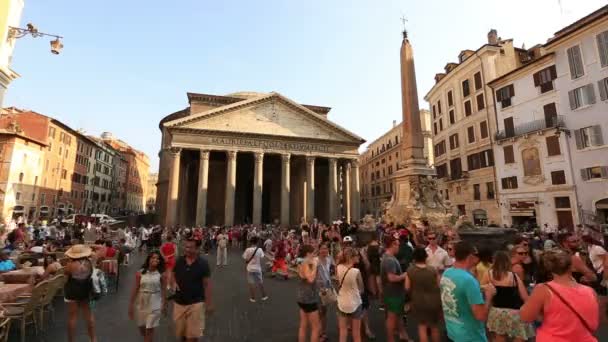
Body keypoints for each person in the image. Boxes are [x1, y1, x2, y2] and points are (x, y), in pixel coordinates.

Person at [521, 249, 599, 341]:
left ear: (549, 268)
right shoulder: (590, 292)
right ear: (571, 267)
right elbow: (594, 324)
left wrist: (542, 314)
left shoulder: (543, 289)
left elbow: (526, 317)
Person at [440, 241, 495, 342]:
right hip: (470, 336)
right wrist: (489, 296)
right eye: (476, 255)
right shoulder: (469, 280)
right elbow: (481, 316)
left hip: (452, 332)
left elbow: (458, 291)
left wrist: (480, 288)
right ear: (470, 256)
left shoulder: (447, 273)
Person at [482, 251, 534, 342]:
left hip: (496, 312)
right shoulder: (513, 276)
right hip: (514, 312)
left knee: (499, 337)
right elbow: (525, 297)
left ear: (494, 261)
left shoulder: (489, 274)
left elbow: (480, 287)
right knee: (519, 336)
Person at [171, 239, 213, 341]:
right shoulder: (179, 261)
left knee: (193, 336)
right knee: (181, 334)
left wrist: (209, 303)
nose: (187, 249)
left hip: (196, 303)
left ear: (197, 249)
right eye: (186, 247)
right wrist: (173, 282)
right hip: (179, 302)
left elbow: (207, 284)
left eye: (190, 247)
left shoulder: (203, 263)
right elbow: (172, 274)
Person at [405, 246, 442, 342]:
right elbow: (439, 285)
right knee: (434, 326)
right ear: (425, 257)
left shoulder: (410, 270)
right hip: (434, 301)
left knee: (422, 327)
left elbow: (407, 287)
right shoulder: (433, 270)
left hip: (418, 301)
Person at [129, 251, 167, 342]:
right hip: (142, 301)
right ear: (149, 259)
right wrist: (131, 304)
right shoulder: (140, 273)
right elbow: (136, 287)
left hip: (155, 302)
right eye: (153, 258)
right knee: (141, 327)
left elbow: (164, 290)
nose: (155, 260)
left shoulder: (161, 274)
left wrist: (164, 304)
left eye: (157, 258)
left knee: (149, 329)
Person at [381, 236, 411, 342]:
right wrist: (405, 275)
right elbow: (392, 278)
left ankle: (403, 335)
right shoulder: (389, 260)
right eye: (397, 244)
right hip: (393, 293)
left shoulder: (389, 257)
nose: (399, 247)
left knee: (398, 316)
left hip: (395, 293)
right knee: (391, 318)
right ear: (393, 244)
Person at [64, 244, 96, 342]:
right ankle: (93, 339)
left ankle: (71, 340)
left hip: (72, 291)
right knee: (89, 315)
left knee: (72, 317)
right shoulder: (89, 263)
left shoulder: (70, 265)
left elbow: (65, 274)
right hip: (86, 290)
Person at [336, 247, 363, 342]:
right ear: (351, 257)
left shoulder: (338, 267)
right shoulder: (356, 272)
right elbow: (361, 288)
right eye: (356, 255)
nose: (358, 257)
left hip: (342, 302)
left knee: (343, 332)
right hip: (355, 302)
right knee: (356, 333)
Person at [296, 244, 320, 342]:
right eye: (313, 253)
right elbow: (310, 279)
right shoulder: (306, 263)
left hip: (301, 297)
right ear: (308, 253)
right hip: (309, 298)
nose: (315, 255)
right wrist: (315, 265)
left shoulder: (300, 261)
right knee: (316, 328)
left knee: (303, 325)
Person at [315, 242, 334, 342]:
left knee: (325, 311)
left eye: (326, 249)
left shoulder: (329, 259)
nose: (324, 251)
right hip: (318, 289)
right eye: (322, 249)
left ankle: (323, 332)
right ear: (318, 250)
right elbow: (312, 276)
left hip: (327, 288)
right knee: (319, 312)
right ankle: (318, 335)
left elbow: (331, 271)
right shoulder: (315, 261)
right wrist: (319, 285)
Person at [243, 236, 268, 302]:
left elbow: (245, 258)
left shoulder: (247, 249)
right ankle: (264, 296)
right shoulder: (259, 249)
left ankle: (253, 298)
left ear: (251, 242)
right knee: (260, 282)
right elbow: (263, 258)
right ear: (257, 242)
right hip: (257, 268)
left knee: (251, 283)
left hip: (250, 268)